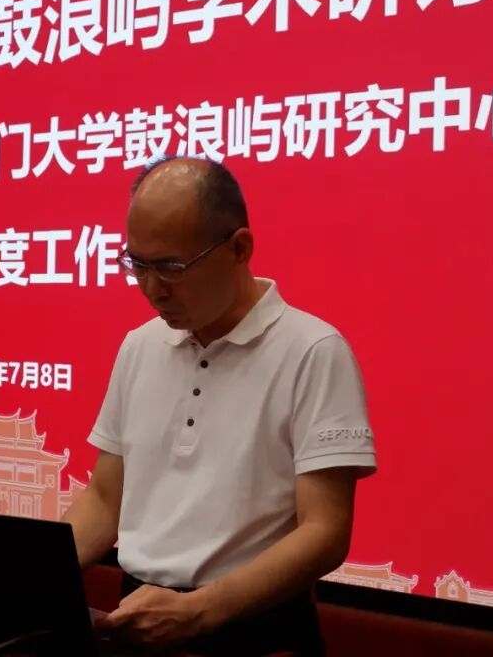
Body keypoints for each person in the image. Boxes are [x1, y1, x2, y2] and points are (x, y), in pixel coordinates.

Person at [62, 156, 377, 656]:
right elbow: (104, 498)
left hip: (254, 629)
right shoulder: (140, 346)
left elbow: (325, 530)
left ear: (239, 248)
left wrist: (200, 610)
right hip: (139, 620)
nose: (153, 289)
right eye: (137, 265)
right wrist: (33, 578)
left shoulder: (313, 351)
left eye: (172, 268)